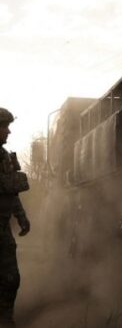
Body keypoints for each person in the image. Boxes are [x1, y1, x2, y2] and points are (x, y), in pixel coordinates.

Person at [0, 108, 29, 326]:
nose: (8, 131)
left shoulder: (4, 157)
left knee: (11, 279)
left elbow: (12, 192)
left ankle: (5, 319)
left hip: (2, 230)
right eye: (4, 126)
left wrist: (21, 217)